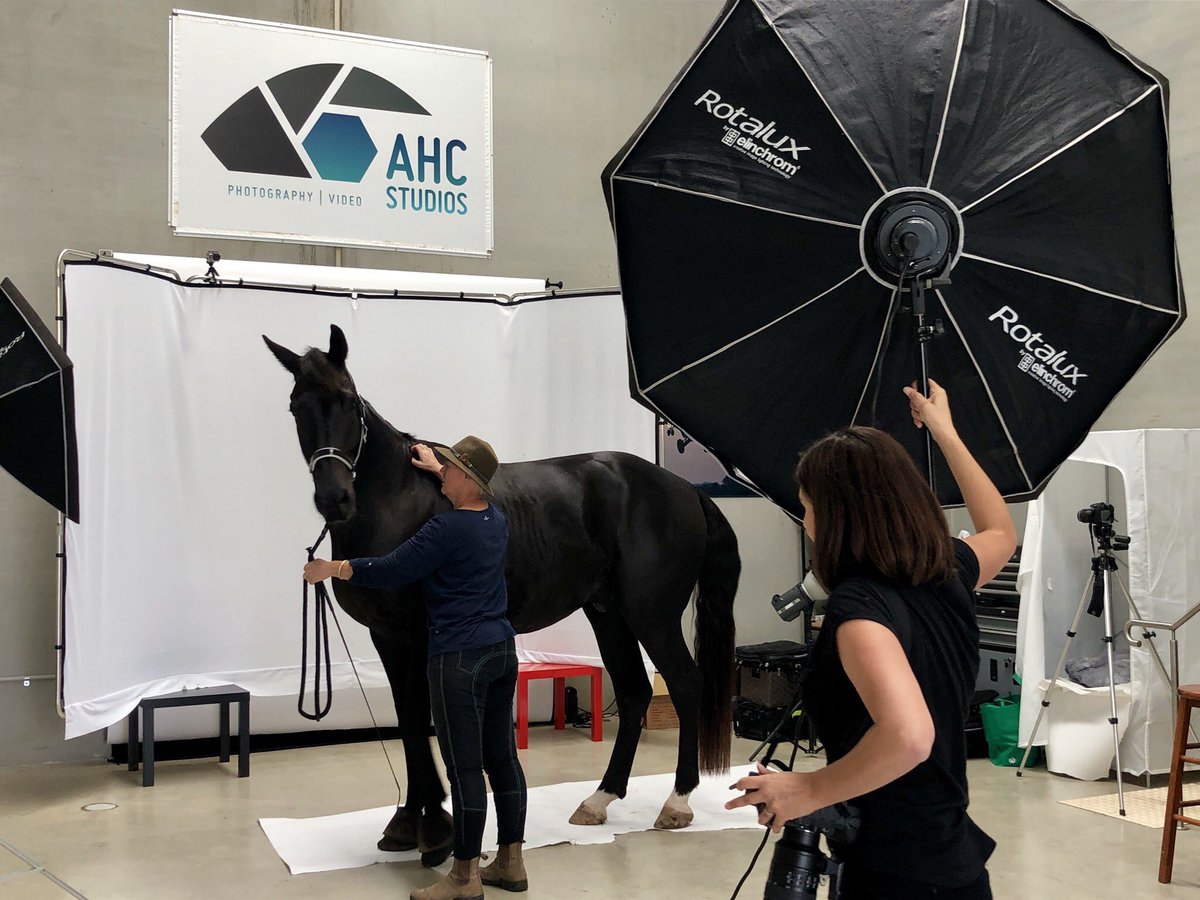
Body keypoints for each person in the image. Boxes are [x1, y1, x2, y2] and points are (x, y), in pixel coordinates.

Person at [727, 380, 1016, 899]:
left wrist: (807, 788)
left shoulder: (860, 611)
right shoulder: (948, 568)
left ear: (838, 517)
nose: (807, 523)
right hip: (949, 861)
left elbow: (908, 737)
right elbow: (999, 529)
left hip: (897, 874)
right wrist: (945, 433)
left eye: (808, 507)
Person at [304, 435, 529, 900]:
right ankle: (511, 862)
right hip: (501, 651)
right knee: (503, 762)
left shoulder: (444, 531)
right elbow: (473, 494)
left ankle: (464, 879)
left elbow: (389, 568)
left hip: (458, 659)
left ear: (467, 479)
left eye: (448, 468)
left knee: (465, 770)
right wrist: (434, 467)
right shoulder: (497, 520)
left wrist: (332, 568)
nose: (439, 471)